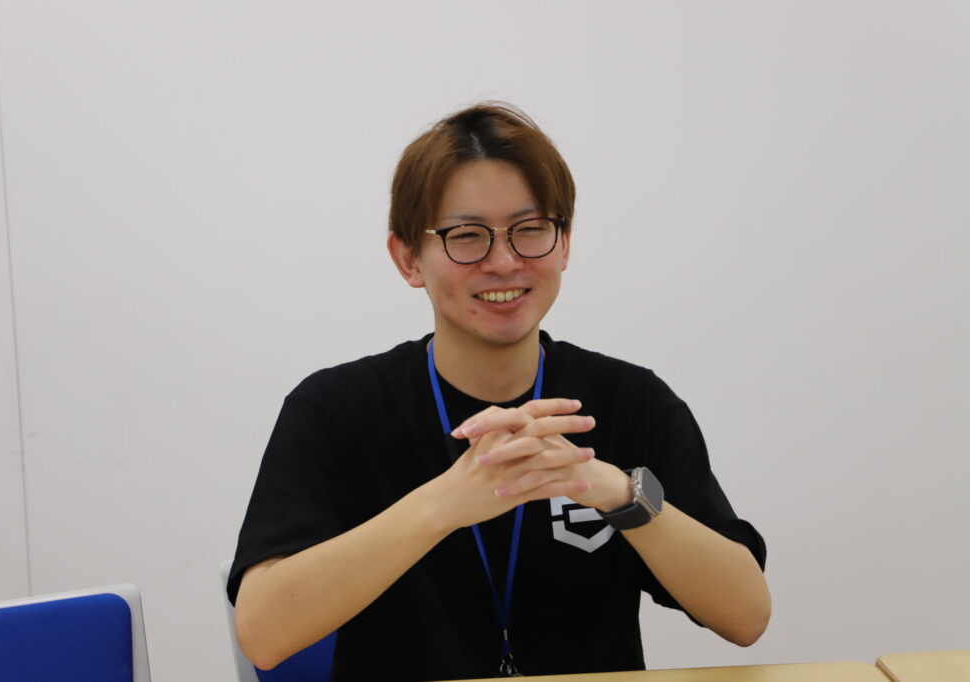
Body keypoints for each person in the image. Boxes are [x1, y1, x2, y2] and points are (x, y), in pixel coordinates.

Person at [227, 103, 770, 680]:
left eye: (530, 230)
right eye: (467, 237)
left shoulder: (634, 401)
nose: (505, 262)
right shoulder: (334, 410)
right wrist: (444, 504)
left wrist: (613, 490)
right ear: (408, 259)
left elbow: (746, 616)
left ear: (564, 243)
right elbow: (264, 635)